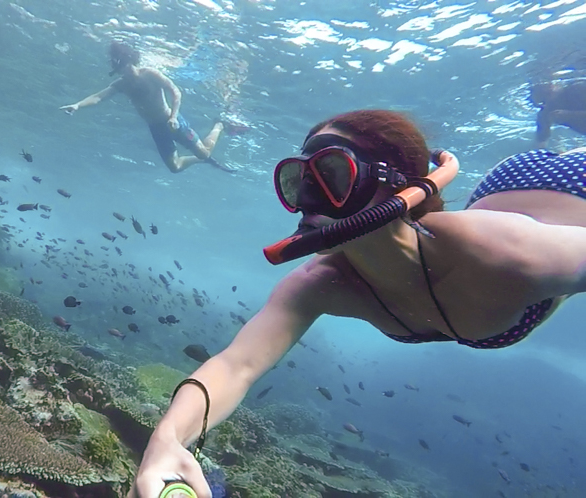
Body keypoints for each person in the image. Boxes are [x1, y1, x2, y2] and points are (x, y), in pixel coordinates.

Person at [130, 109, 586, 498]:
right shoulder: (321, 282)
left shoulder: (509, 254)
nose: (308, 199)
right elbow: (236, 366)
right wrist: (167, 439)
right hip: (502, 190)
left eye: (331, 175)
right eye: (298, 179)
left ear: (397, 187)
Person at [60, 41, 235, 173]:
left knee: (204, 153)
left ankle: (219, 125)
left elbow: (175, 91)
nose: (125, 72)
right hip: (156, 128)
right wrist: (78, 105)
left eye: (125, 66)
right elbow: (98, 97)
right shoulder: (121, 84)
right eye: (120, 69)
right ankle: (201, 159)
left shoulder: (150, 74)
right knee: (174, 167)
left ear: (131, 61)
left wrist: (174, 117)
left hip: (171, 120)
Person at [529, 79, 586, 148]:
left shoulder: (577, 89)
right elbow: (540, 143)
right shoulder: (545, 113)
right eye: (542, 101)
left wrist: (570, 115)